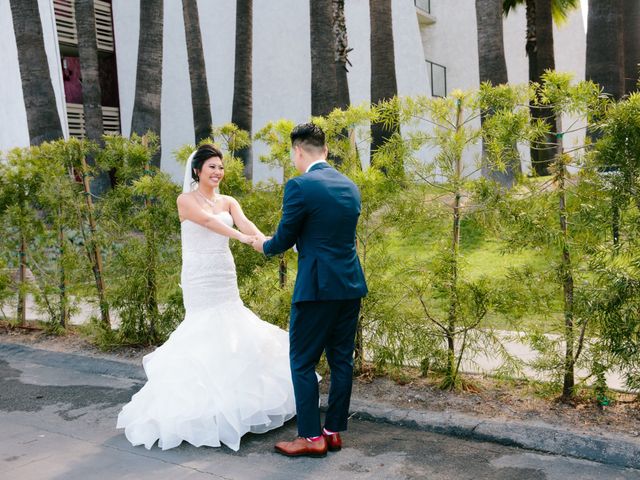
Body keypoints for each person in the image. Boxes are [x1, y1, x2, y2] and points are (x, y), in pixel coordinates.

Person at [116, 144, 296, 452]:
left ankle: (237, 404)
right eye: (212, 166)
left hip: (223, 271)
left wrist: (267, 242)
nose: (217, 172)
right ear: (197, 170)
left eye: (221, 167)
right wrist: (242, 239)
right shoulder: (185, 200)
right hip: (199, 274)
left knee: (231, 324)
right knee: (204, 328)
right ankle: (204, 410)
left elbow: (246, 224)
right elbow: (209, 223)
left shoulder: (228, 201)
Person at [252, 123, 368, 458]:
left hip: (317, 288)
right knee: (341, 360)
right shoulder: (350, 186)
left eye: (293, 153)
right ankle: (332, 432)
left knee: (302, 361)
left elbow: (284, 238)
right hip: (350, 285)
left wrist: (265, 245)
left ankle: (309, 437)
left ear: (298, 152)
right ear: (326, 151)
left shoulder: (300, 186)